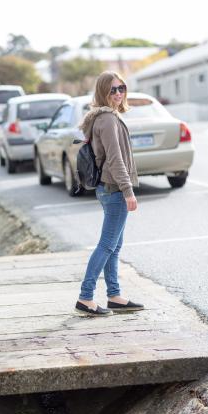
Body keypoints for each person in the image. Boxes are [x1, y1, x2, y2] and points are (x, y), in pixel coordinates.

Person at [75, 71, 144, 317]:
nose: (117, 93)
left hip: (109, 188)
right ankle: (85, 298)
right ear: (103, 92)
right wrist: (128, 191)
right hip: (114, 190)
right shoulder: (107, 120)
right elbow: (115, 160)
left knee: (114, 246)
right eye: (112, 89)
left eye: (121, 88)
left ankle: (114, 295)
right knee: (106, 245)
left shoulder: (106, 118)